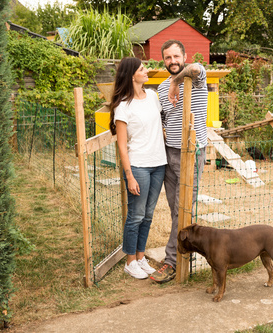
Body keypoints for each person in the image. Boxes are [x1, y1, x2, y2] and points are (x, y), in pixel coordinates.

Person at [150, 40, 208, 283]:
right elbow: (163, 120)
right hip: (169, 154)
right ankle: (189, 251)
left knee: (183, 209)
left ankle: (172, 261)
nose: (172, 61)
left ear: (183, 55)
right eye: (167, 58)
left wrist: (176, 81)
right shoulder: (162, 88)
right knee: (177, 210)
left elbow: (196, 68)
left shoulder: (196, 79)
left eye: (176, 56)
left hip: (191, 153)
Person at [109, 57, 167, 279]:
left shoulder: (152, 97)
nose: (146, 71)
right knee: (136, 215)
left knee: (148, 215)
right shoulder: (123, 105)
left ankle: (141, 258)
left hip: (158, 163)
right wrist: (129, 175)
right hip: (139, 165)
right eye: (142, 69)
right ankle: (130, 261)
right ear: (132, 74)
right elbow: (122, 146)